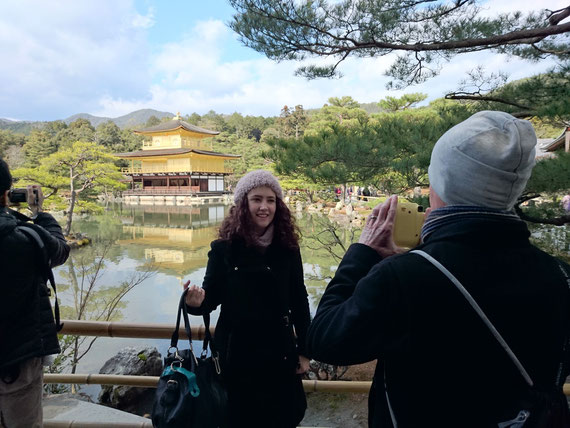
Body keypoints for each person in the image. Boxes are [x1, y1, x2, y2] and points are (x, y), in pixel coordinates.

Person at [306, 111, 570, 427]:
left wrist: (363, 254)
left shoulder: (403, 278)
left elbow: (324, 339)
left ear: (441, 182)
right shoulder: (561, 276)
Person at [185, 169, 311, 428]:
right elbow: (211, 299)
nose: (264, 207)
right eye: (256, 199)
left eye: (271, 200)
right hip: (236, 355)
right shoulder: (224, 249)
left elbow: (299, 300)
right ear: (243, 203)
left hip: (280, 352)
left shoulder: (287, 248)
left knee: (283, 417)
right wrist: (194, 302)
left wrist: (306, 351)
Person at [0, 158, 70, 428]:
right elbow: (59, 250)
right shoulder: (25, 238)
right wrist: (38, 212)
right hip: (17, 359)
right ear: (7, 194)